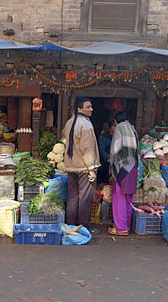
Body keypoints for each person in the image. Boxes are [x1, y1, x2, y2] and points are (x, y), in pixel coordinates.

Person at [63, 97, 101, 234]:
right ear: (80, 109)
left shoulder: (69, 122)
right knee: (85, 197)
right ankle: (84, 226)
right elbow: (87, 149)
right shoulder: (86, 125)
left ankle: (70, 225)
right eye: (88, 107)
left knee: (72, 196)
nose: (91, 109)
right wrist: (91, 169)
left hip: (71, 166)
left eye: (91, 107)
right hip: (84, 167)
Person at [108, 111, 139, 236]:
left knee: (119, 197)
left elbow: (114, 149)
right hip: (133, 167)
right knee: (128, 198)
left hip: (123, 167)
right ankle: (126, 225)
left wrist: (111, 164)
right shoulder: (132, 128)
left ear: (116, 120)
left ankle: (120, 228)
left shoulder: (119, 128)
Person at [97, 119, 116, 184]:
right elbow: (102, 151)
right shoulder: (103, 137)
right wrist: (108, 157)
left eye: (114, 132)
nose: (112, 133)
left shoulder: (120, 138)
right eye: (111, 131)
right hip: (105, 161)